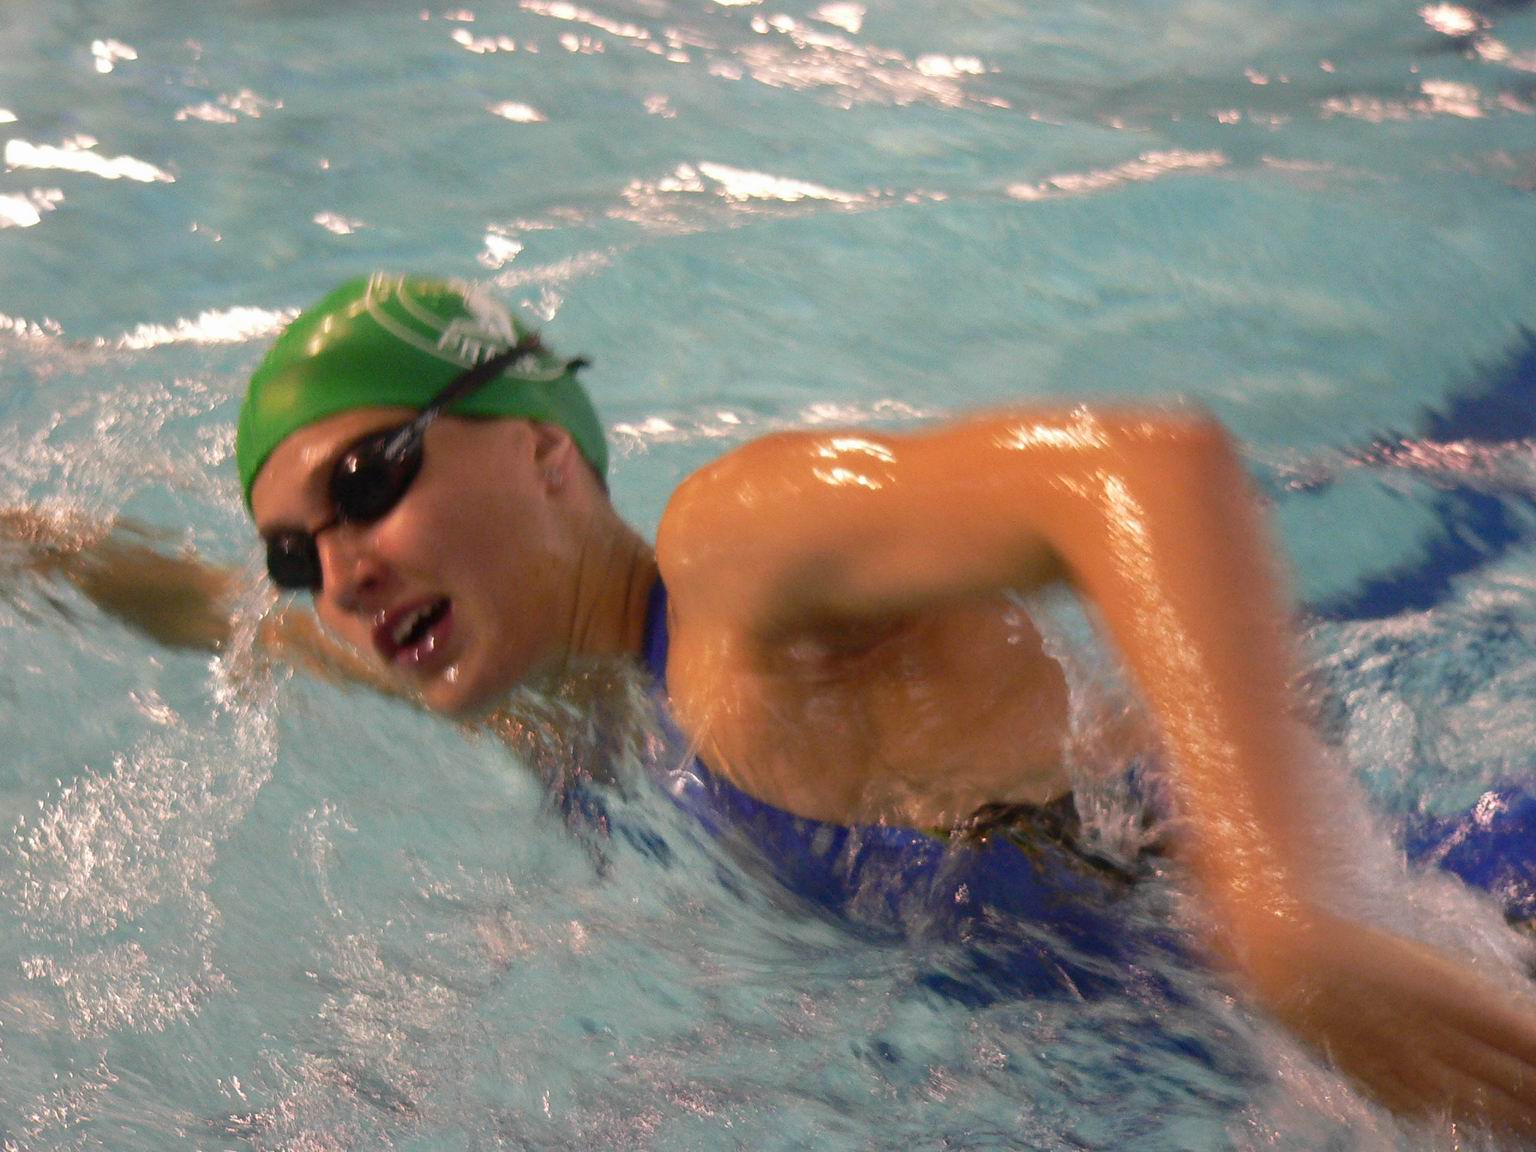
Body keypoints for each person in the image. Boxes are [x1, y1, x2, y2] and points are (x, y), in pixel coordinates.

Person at [9, 273, 1536, 1137]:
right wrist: (35, 549)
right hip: (1242, 1064)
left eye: (367, 481)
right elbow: (211, 612)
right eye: (299, 551)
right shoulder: (555, 707)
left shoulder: (734, 563)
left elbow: (1138, 465)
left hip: (1443, 928)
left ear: (545, 449)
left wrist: (1288, 909)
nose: (337, 571)